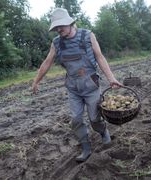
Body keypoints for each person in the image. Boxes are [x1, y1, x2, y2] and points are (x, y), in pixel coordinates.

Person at [32, 8, 122, 162]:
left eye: (61, 26)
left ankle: (103, 132)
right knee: (76, 119)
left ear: (70, 22)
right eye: (56, 27)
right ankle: (86, 147)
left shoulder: (87, 35)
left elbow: (100, 57)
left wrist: (111, 78)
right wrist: (36, 81)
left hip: (91, 85)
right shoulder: (56, 42)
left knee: (94, 119)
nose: (59, 29)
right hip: (73, 87)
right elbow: (47, 62)